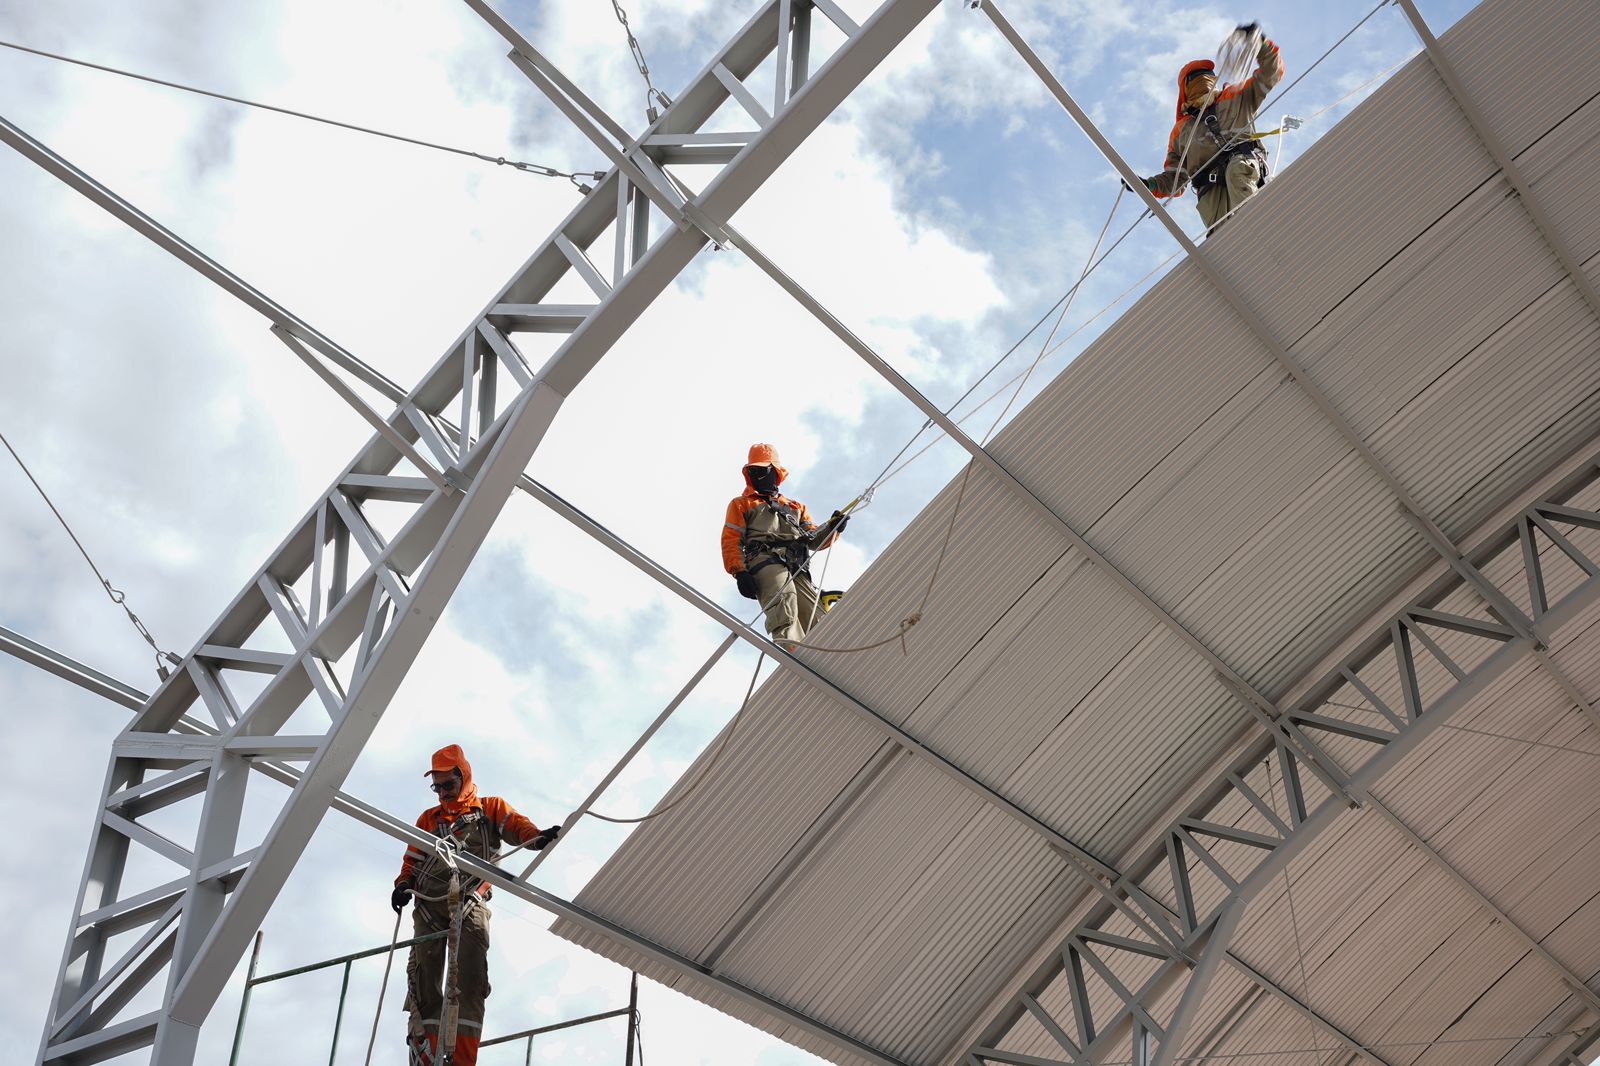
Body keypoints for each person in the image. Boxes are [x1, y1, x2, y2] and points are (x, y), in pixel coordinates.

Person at [391, 744, 559, 1066]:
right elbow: (411, 860)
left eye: (448, 786)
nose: (442, 793)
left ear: (463, 777)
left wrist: (536, 838)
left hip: (469, 903)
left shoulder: (490, 809)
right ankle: (425, 1054)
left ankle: (460, 1059)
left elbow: (517, 827)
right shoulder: (429, 820)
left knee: (469, 981)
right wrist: (402, 885)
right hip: (429, 907)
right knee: (423, 980)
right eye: (437, 787)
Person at [1137, 27, 1284, 232]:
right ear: (1185, 89)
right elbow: (1175, 178)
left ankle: (1258, 224)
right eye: (1196, 77)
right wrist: (1149, 185)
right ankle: (1229, 243)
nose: (1204, 79)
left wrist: (1262, 44)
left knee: (1236, 172)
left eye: (1207, 75)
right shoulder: (1181, 131)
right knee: (1220, 230)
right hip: (1210, 187)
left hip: (1241, 166)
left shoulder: (1236, 96)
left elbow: (1271, 74)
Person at [721, 443, 848, 648]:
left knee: (815, 616)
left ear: (776, 473)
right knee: (784, 606)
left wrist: (833, 528)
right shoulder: (742, 504)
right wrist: (739, 572)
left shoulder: (794, 507)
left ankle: (828, 655)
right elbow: (731, 540)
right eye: (754, 471)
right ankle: (792, 653)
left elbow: (814, 539)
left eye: (763, 470)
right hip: (765, 561)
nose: (758, 475)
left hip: (797, 564)